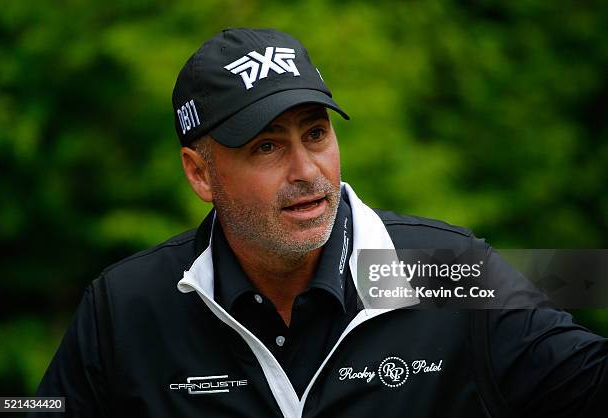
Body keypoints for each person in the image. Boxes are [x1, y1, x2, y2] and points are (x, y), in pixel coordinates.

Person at [32, 28, 607, 418]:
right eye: (265, 147)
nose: (307, 171)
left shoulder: (447, 269)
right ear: (200, 173)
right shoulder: (126, 305)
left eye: (316, 133)